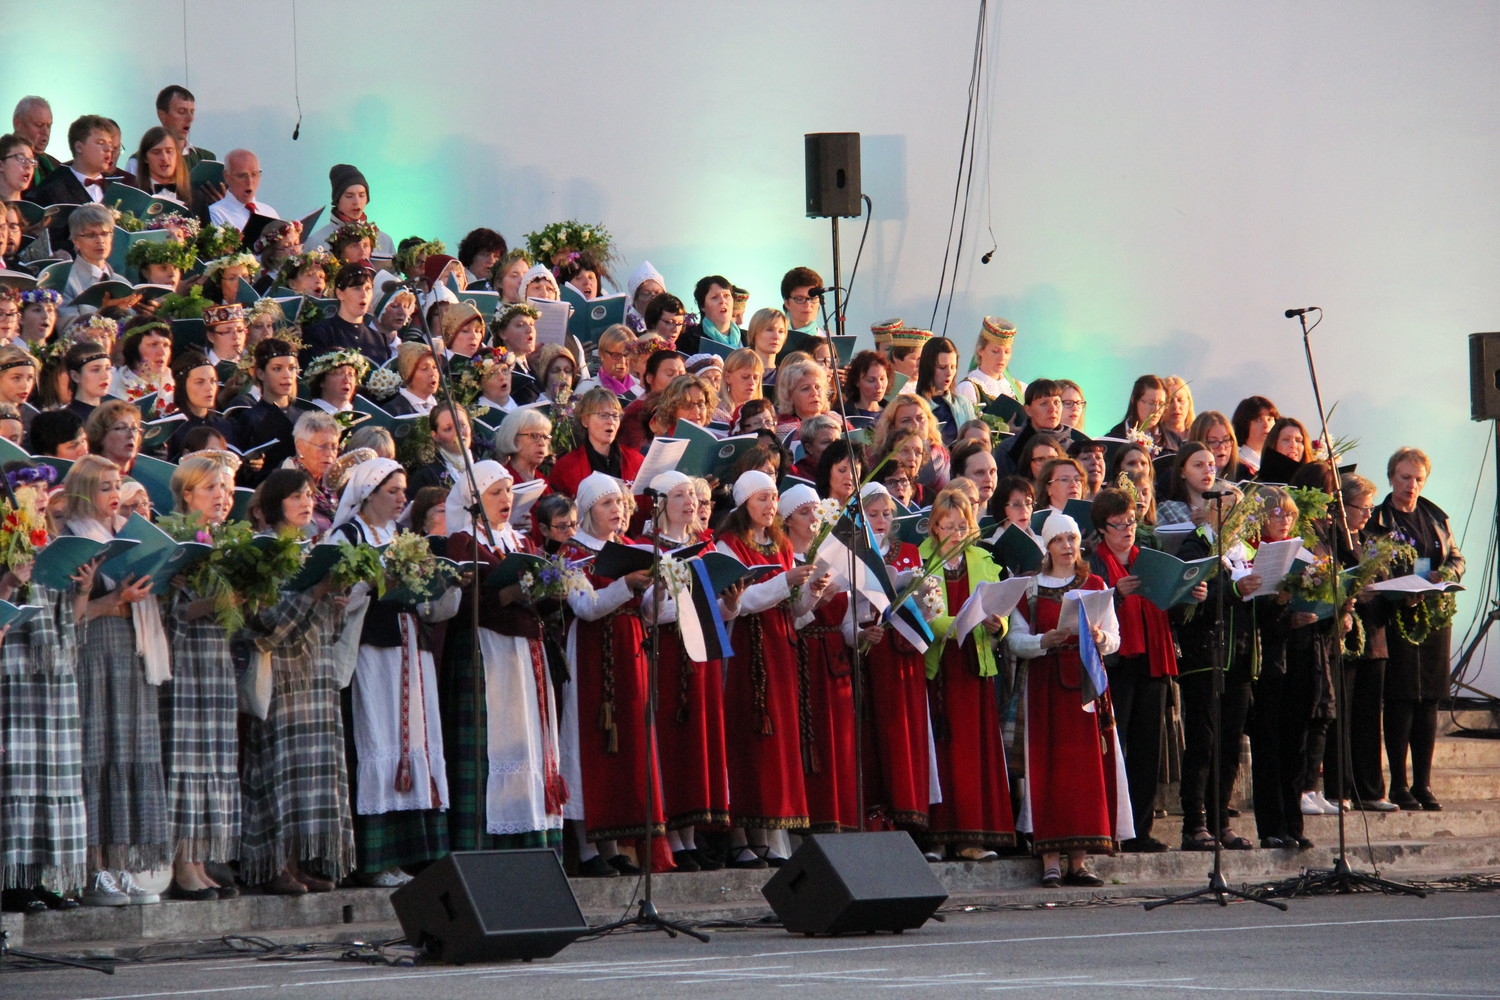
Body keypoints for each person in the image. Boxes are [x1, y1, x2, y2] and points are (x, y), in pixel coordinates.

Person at [330, 458, 458, 886]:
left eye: (404, 490)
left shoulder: (405, 536)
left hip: (410, 646)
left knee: (414, 741)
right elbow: (336, 600)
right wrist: (373, 579)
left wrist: (446, 585)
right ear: (368, 493)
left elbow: (427, 607)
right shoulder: (347, 535)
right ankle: (377, 859)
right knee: (380, 739)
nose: (403, 498)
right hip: (372, 650)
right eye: (393, 490)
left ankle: (413, 855)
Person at [239, 469, 355, 894]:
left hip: (316, 676)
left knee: (313, 776)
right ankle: (274, 863)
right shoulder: (264, 552)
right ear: (275, 506)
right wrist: (315, 593)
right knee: (281, 773)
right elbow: (265, 626)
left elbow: (330, 630)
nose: (307, 502)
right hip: (281, 676)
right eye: (295, 497)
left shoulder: (313, 549)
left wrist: (335, 601)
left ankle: (303, 858)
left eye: (309, 495)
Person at [61, 455, 170, 906]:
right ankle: (92, 869)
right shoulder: (69, 538)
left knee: (127, 751)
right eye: (106, 486)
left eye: (117, 484)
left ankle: (121, 862)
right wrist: (110, 598)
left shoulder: (121, 533)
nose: (114, 494)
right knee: (96, 754)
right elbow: (67, 617)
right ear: (85, 490)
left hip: (129, 652)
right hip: (92, 654)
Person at [442, 461, 567, 850]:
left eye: (509, 491)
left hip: (527, 652)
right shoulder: (463, 542)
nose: (506, 499)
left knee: (529, 742)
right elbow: (461, 606)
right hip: (488, 652)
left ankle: (533, 834)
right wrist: (507, 594)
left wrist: (550, 591)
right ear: (474, 499)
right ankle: (487, 840)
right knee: (494, 745)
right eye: (496, 492)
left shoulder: (522, 543)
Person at [1010, 510, 1123, 885]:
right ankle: (1050, 860)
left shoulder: (1094, 585)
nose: (1066, 546)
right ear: (1047, 545)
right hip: (1045, 684)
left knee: (1082, 771)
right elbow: (1014, 640)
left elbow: (1114, 638)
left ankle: (1079, 860)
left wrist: (1099, 636)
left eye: (1071, 539)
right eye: (1058, 540)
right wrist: (1044, 640)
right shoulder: (1029, 588)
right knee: (1047, 769)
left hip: (1085, 685)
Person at [560, 472, 659, 876]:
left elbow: (650, 614)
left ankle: (614, 842)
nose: (617, 510)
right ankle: (586, 847)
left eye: (619, 503)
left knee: (626, 747)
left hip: (628, 652)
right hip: (590, 654)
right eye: (607, 504)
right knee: (589, 744)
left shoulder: (631, 549)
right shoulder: (572, 553)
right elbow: (585, 606)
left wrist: (659, 590)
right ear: (587, 510)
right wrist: (626, 584)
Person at [0, 464, 88, 914]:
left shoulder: (49, 544)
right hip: (14, 671)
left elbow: (65, 618)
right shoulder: (6, 541)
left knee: (53, 778)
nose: (38, 496)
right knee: (19, 778)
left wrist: (82, 590)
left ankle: (45, 876)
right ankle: (13, 881)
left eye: (41, 489)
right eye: (27, 489)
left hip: (53, 677)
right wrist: (11, 580)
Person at [638, 471, 732, 869]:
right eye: (679, 495)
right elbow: (647, 612)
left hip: (702, 652)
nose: (690, 501)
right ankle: (672, 836)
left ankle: (692, 834)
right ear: (660, 503)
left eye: (693, 495)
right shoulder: (646, 547)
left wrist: (732, 601)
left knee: (699, 739)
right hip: (669, 650)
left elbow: (723, 612)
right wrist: (679, 603)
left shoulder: (705, 545)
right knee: (673, 738)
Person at [1167, 445, 1259, 851]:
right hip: (1205, 656)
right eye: (1228, 509)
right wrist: (1235, 588)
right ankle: (1195, 823)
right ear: (1209, 512)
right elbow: (1190, 595)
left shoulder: (1245, 552)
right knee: (1203, 741)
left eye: (1239, 512)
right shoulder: (1194, 546)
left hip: (1239, 657)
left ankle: (1221, 820)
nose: (1234, 518)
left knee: (1230, 742)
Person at [918, 487, 1015, 861]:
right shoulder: (921, 561)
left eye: (962, 526)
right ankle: (937, 838)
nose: (956, 534)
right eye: (948, 526)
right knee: (941, 749)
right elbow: (922, 612)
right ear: (934, 527)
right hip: (941, 666)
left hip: (974, 665)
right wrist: (954, 625)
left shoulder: (984, 560)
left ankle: (971, 837)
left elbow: (1001, 609)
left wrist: (998, 624)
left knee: (972, 753)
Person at [160, 456, 241, 901]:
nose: (222, 497)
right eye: (212, 488)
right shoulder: (175, 540)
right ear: (188, 493)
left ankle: (201, 858)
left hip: (217, 663)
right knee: (187, 764)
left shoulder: (228, 540)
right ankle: (182, 862)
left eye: (227, 489)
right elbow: (171, 614)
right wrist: (220, 601)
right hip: (185, 664)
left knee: (214, 762)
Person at [1372, 447, 1464, 812]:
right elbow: (1373, 564)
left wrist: (1448, 574)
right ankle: (1398, 784)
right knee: (1401, 699)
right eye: (1404, 478)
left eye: (1418, 479)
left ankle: (1423, 783)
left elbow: (1456, 556)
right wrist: (1400, 590)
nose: (1411, 486)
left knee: (1430, 700)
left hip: (1432, 618)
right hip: (1397, 617)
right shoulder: (1378, 519)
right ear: (1391, 477)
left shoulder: (1435, 516)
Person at [1087, 488, 1176, 852]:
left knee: (1146, 750)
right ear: (1102, 529)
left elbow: (1167, 606)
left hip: (1152, 662)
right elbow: (1090, 610)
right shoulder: (1095, 562)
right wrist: (1117, 593)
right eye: (1118, 524)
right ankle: (1110, 828)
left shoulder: (1148, 558)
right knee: (1115, 747)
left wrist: (1188, 594)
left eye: (1131, 522)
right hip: (1116, 664)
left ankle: (1140, 829)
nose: (1127, 529)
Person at [1335, 472, 1399, 811]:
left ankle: (1372, 790)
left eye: (1371, 507)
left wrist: (1405, 595)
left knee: (1369, 719)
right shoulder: (1335, 540)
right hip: (1347, 641)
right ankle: (1342, 789)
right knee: (1343, 718)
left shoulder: (1372, 539)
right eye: (1362, 507)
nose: (1367, 514)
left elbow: (1386, 582)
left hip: (1374, 639)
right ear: (1343, 507)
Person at [548, 387, 643, 497]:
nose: (611, 421)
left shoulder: (637, 461)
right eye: (603, 415)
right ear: (585, 420)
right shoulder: (566, 468)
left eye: (615, 415)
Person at [232, 338, 301, 483]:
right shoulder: (250, 418)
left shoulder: (303, 417)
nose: (287, 375)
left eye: (291, 368)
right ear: (260, 373)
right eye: (277, 369)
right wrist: (251, 466)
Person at [303, 263, 387, 363]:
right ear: (340, 294)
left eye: (368, 289)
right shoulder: (321, 332)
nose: (364, 294)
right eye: (357, 288)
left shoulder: (378, 339)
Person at [306, 164, 396, 257]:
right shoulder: (317, 241)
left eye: (361, 195)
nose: (356, 202)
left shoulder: (384, 240)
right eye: (349, 196)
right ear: (337, 200)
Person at [915, 336, 978, 445]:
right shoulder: (915, 406)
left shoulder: (963, 403)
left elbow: (974, 444)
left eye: (953, 367)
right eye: (942, 367)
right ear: (928, 368)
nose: (949, 373)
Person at [1107, 375, 1178, 455]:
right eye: (1151, 403)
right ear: (1134, 401)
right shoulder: (1113, 440)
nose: (1156, 409)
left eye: (1161, 404)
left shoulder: (1174, 443)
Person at [208, 149, 277, 230]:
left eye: (254, 174)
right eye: (242, 176)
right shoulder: (216, 213)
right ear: (227, 177)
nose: (249, 182)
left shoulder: (269, 212)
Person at [131, 126, 191, 203]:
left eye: (169, 151)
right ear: (145, 158)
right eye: (156, 152)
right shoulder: (133, 198)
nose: (164, 158)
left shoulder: (196, 198)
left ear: (177, 154)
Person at [383, 342, 440, 417]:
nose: (433, 373)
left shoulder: (441, 405)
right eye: (424, 368)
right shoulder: (393, 410)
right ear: (408, 375)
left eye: (435, 367)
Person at [1231, 395, 1279, 477]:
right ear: (1244, 425)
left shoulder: (1278, 463)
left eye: (1270, 419)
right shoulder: (1236, 466)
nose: (1266, 425)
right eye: (1259, 420)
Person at [11, 96, 58, 180]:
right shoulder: (5, 161)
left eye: (48, 126)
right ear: (18, 123)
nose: (46, 132)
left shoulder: (57, 168)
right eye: (39, 125)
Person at [746, 308, 789, 382]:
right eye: (769, 330)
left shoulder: (788, 379)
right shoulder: (738, 373)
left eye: (781, 331)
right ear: (754, 333)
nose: (776, 336)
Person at [623, 260, 665, 332]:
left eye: (657, 293)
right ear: (635, 299)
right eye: (646, 293)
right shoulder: (626, 326)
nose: (653, 298)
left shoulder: (671, 324)